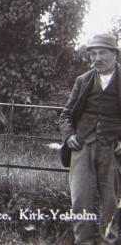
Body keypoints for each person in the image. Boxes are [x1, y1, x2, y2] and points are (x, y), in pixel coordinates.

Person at [59, 33, 121, 244]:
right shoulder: (83, 80)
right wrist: (69, 136)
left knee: (111, 204)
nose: (97, 58)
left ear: (115, 53)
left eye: (102, 52)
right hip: (82, 148)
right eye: (93, 53)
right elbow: (66, 114)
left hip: (112, 150)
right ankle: (83, 242)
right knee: (80, 202)